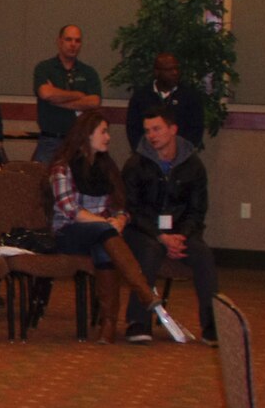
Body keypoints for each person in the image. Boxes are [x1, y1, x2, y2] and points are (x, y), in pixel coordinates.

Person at [47, 111, 187, 344]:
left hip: (101, 234)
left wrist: (120, 220)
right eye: (103, 131)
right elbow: (70, 210)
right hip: (68, 232)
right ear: (86, 135)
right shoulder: (62, 168)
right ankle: (143, 291)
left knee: (104, 245)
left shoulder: (106, 166)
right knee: (105, 233)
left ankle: (108, 325)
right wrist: (106, 223)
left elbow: (120, 205)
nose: (108, 137)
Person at [122, 106, 219, 345]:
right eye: (147, 131)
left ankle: (211, 325)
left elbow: (197, 211)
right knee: (150, 252)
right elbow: (132, 210)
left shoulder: (193, 166)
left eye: (157, 129)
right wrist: (160, 236)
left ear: (173, 129)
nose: (152, 135)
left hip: (181, 231)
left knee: (203, 255)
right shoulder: (135, 164)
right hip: (143, 231)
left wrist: (180, 237)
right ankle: (138, 322)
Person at [34, 24, 102, 163]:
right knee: (44, 182)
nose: (73, 44)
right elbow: (46, 94)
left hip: (80, 141)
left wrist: (57, 100)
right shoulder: (45, 68)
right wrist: (79, 94)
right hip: (50, 140)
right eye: (68, 40)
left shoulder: (88, 72)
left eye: (77, 41)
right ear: (59, 42)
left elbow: (94, 102)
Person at [126, 52, 209, 150]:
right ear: (157, 72)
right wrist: (147, 152)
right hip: (148, 157)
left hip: (180, 157)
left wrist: (177, 152)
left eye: (176, 68)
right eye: (169, 70)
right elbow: (133, 129)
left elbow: (195, 130)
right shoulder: (141, 97)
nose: (175, 73)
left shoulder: (190, 96)